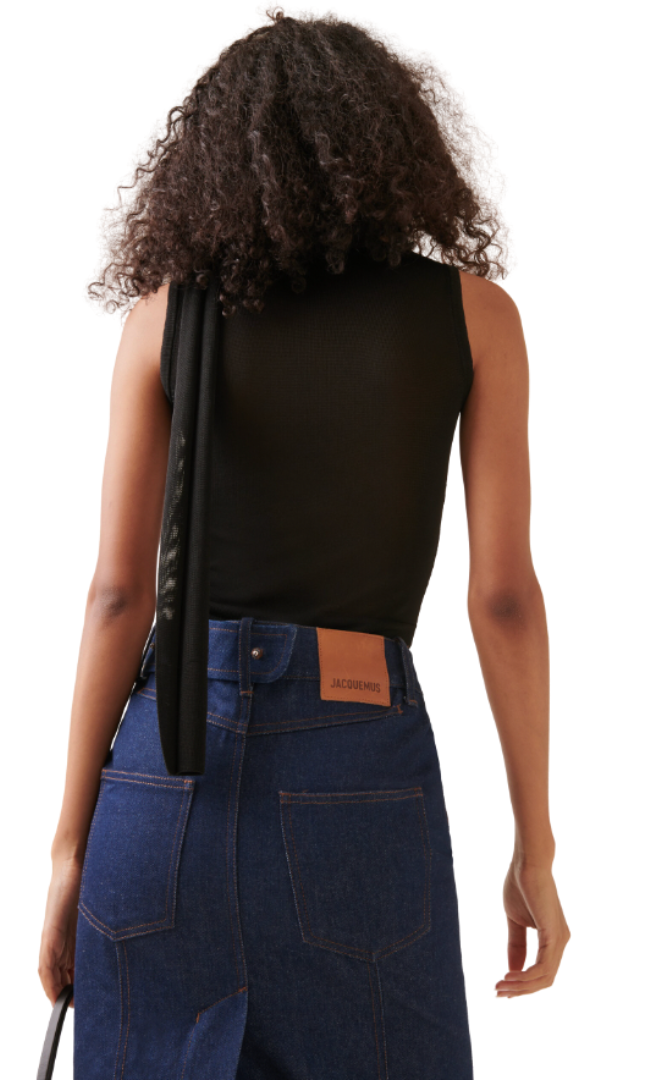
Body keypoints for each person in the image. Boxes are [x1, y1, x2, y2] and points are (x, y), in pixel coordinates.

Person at [39, 10, 569, 1079]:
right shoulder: (474, 319)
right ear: (393, 147)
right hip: (355, 768)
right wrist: (535, 845)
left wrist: (68, 847)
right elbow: (503, 597)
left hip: (165, 774)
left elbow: (118, 597)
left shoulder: (165, 319)